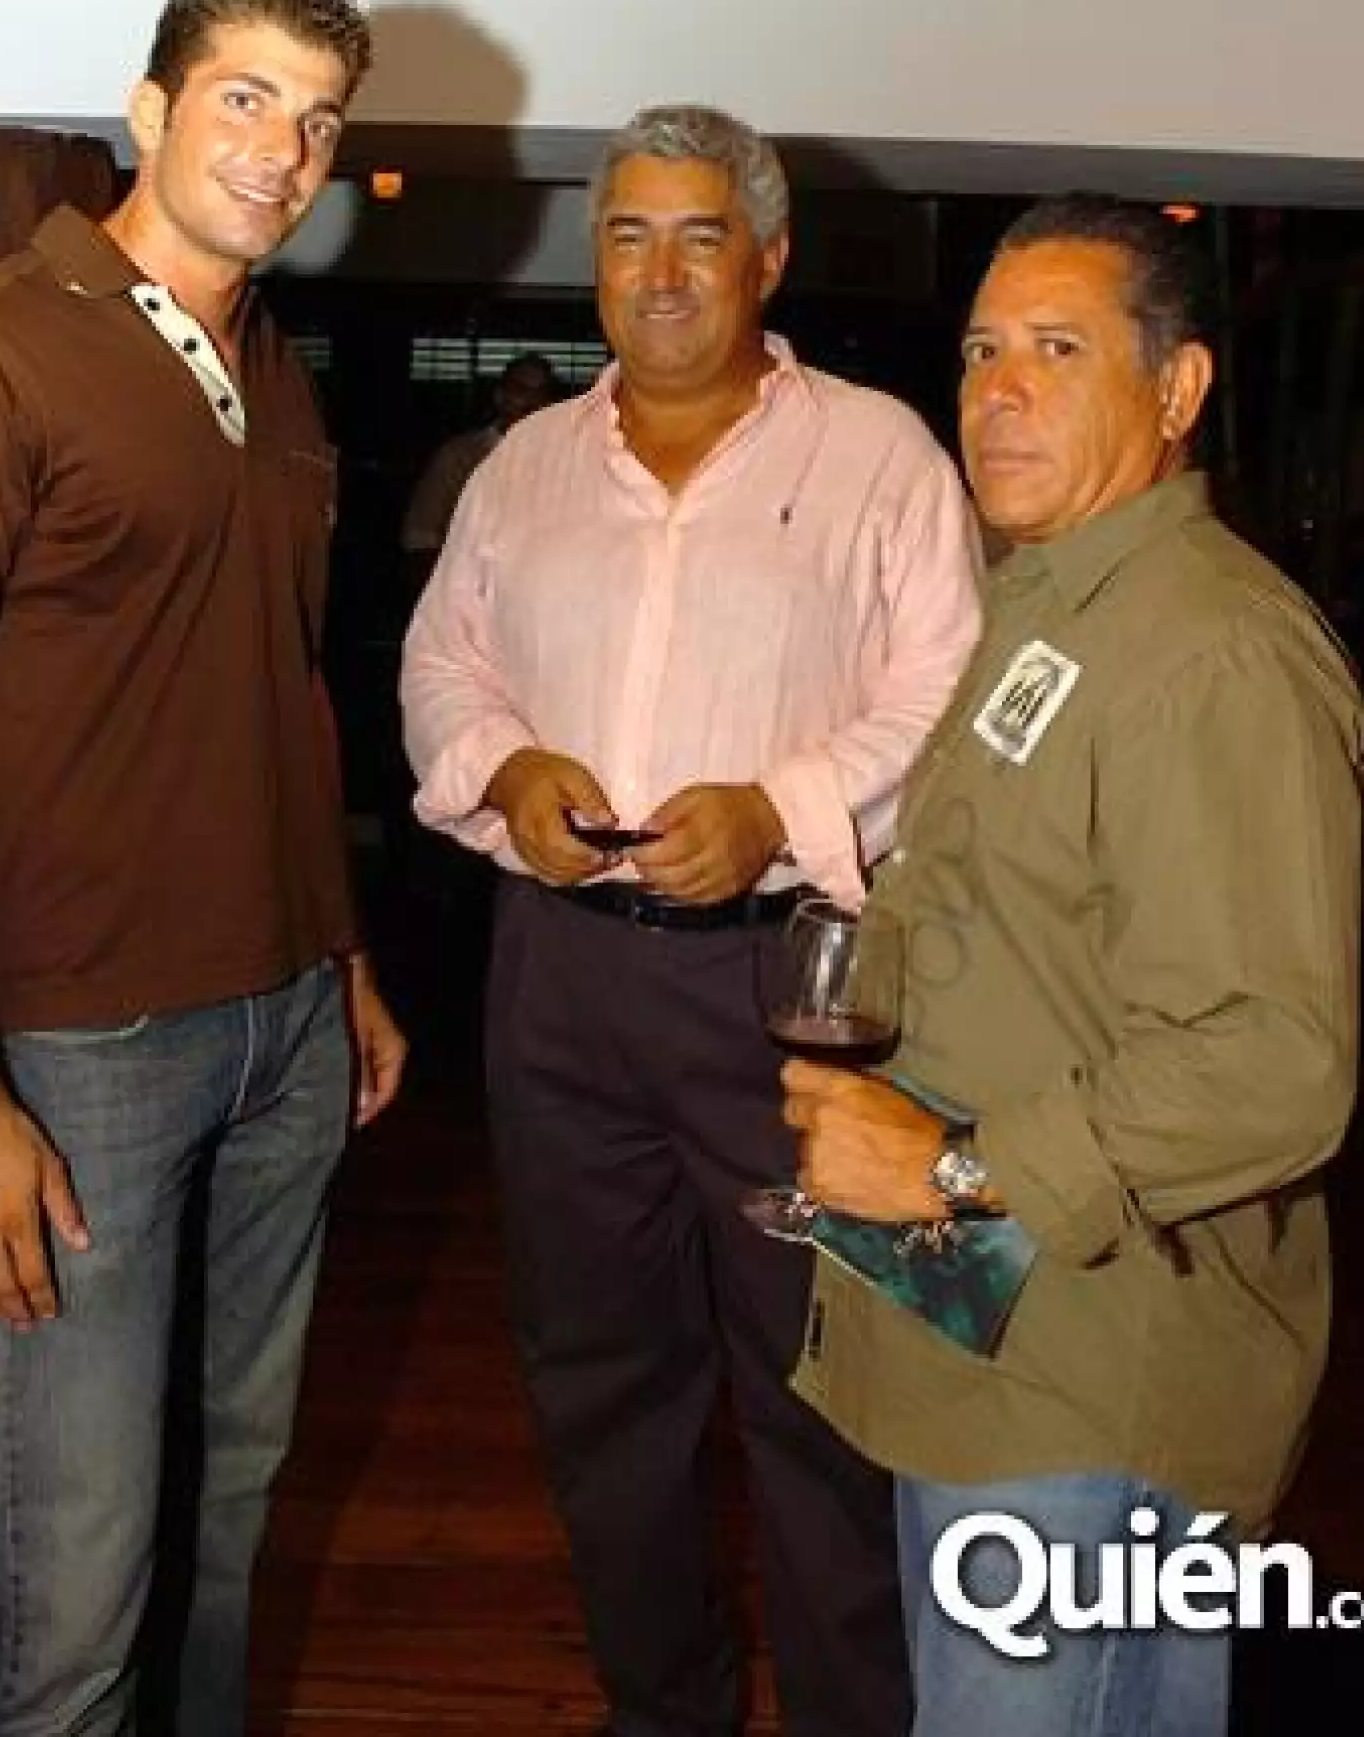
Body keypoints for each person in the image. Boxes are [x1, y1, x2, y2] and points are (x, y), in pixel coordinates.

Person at [401, 106, 983, 1737]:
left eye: (700, 235)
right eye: (627, 235)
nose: (659, 273)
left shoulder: (877, 455)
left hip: (794, 996)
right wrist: (503, 764)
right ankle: (666, 1710)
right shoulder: (521, 469)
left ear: (771, 258)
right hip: (559, 994)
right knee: (600, 1393)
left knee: (827, 1394)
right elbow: (443, 666)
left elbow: (944, 704)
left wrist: (779, 811)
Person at [783, 194, 1364, 1736]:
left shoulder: (1212, 654)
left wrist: (957, 1172)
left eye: (1058, 348)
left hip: (1101, 1374)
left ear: (1176, 393)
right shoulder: (1050, 605)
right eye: (982, 350)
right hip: (996, 1342)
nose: (998, 390)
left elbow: (1272, 1063)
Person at [0, 0, 409, 1734]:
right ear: (151, 110)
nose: (285, 147)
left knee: (224, 1515)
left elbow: (282, 690)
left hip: (285, 1021)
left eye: (319, 116)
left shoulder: (274, 369)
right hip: (81, 1048)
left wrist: (343, 959)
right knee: (74, 1573)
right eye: (245, 96)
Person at [401, 351, 562, 575]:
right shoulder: (459, 456)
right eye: (521, 390)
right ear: (500, 397)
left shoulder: (566, 461)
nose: (532, 402)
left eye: (541, 393)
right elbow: (420, 539)